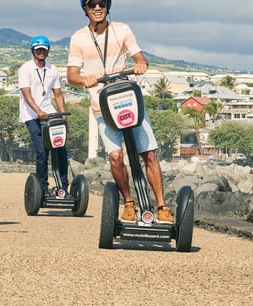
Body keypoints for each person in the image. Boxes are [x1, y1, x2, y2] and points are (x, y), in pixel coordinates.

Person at [66, 0, 173, 224]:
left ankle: (162, 206)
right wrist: (84, 79)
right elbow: (72, 75)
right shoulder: (78, 38)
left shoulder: (122, 30)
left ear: (108, 6)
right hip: (101, 106)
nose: (97, 8)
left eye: (102, 3)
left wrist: (141, 64)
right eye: (92, 4)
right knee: (115, 157)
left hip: (128, 100)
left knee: (149, 154)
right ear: (85, 9)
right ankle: (129, 203)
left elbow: (139, 57)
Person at [18, 35, 69, 194]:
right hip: (31, 115)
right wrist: (38, 111)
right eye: (38, 50)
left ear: (48, 52)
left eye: (44, 50)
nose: (41, 52)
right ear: (33, 50)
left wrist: (63, 115)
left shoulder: (53, 69)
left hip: (49, 113)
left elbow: (58, 94)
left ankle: (63, 185)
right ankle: (43, 187)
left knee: (61, 148)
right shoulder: (25, 69)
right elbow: (27, 95)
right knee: (42, 151)